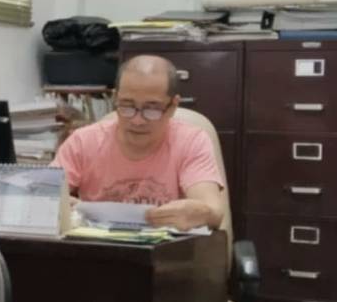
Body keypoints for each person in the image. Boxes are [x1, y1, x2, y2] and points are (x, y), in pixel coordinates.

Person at [54, 54, 227, 232]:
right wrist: (59, 205)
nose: (137, 121)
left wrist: (201, 213)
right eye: (127, 106)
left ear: (173, 106)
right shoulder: (83, 142)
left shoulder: (191, 141)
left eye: (151, 109)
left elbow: (214, 213)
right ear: (115, 98)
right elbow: (42, 197)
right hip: (98, 247)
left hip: (168, 248)